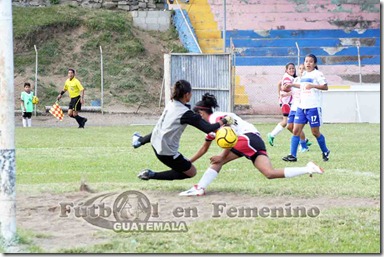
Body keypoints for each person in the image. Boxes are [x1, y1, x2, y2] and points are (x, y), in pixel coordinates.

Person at [179, 93, 324, 196]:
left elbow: (228, 133)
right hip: (255, 140)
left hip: (247, 138)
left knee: (219, 160)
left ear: (201, 112)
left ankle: (200, 187)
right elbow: (204, 147)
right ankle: (308, 168)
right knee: (269, 173)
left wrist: (222, 155)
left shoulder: (215, 118)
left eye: (197, 116)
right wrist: (187, 162)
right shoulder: (211, 125)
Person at [131, 80, 233, 181]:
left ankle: (139, 141)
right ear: (187, 94)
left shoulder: (171, 103)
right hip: (166, 152)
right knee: (191, 172)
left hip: (155, 142)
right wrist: (224, 120)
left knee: (163, 129)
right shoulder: (185, 114)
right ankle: (151, 174)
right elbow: (208, 128)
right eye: (191, 93)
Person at [282, 54, 330, 162]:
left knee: (315, 132)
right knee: (295, 131)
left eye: (311, 61)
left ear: (315, 64)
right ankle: (292, 155)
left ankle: (325, 151)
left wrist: (313, 86)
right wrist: (292, 85)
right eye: (306, 61)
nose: (308, 63)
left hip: (313, 107)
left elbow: (325, 86)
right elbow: (302, 85)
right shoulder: (303, 75)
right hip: (301, 107)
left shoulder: (317, 74)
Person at [267, 63, 310, 151]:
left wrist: (281, 94)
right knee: (289, 124)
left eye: (293, 68)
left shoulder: (297, 79)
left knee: (292, 125)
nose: (292, 70)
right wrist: (284, 92)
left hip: (294, 104)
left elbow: (280, 84)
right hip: (288, 104)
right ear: (286, 70)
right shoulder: (290, 78)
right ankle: (303, 141)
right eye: (290, 68)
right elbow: (284, 86)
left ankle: (303, 142)